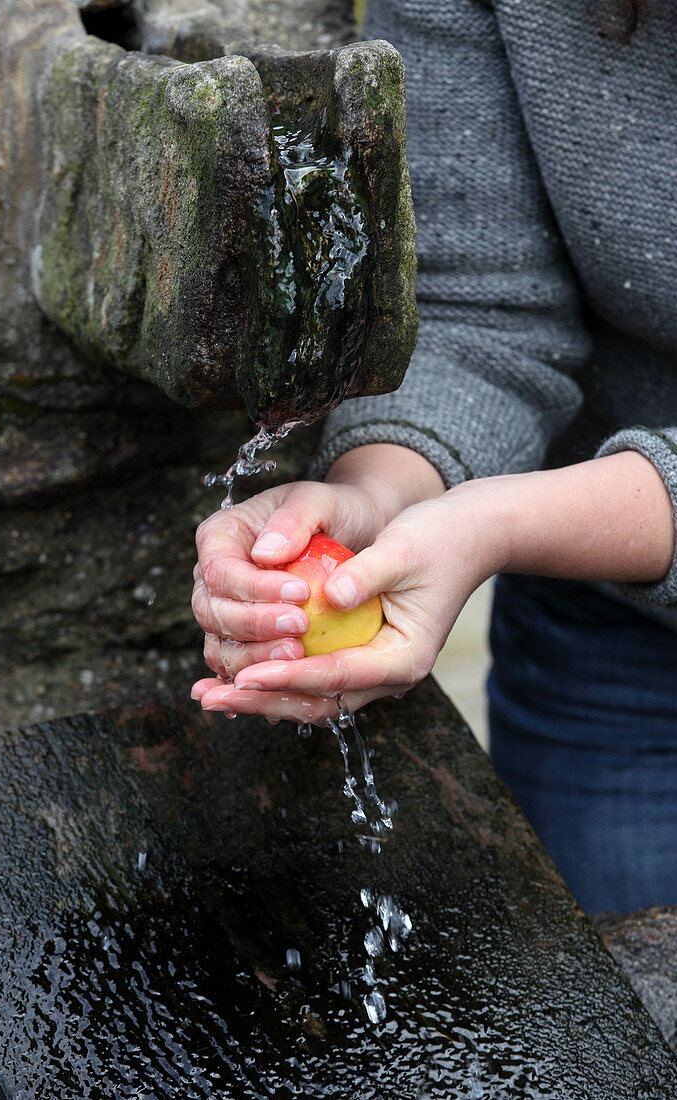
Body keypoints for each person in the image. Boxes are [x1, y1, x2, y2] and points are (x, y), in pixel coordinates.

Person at [191, 0, 677, 915]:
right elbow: (486, 306)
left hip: (570, 535)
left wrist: (497, 524)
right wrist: (380, 495)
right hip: (610, 627)